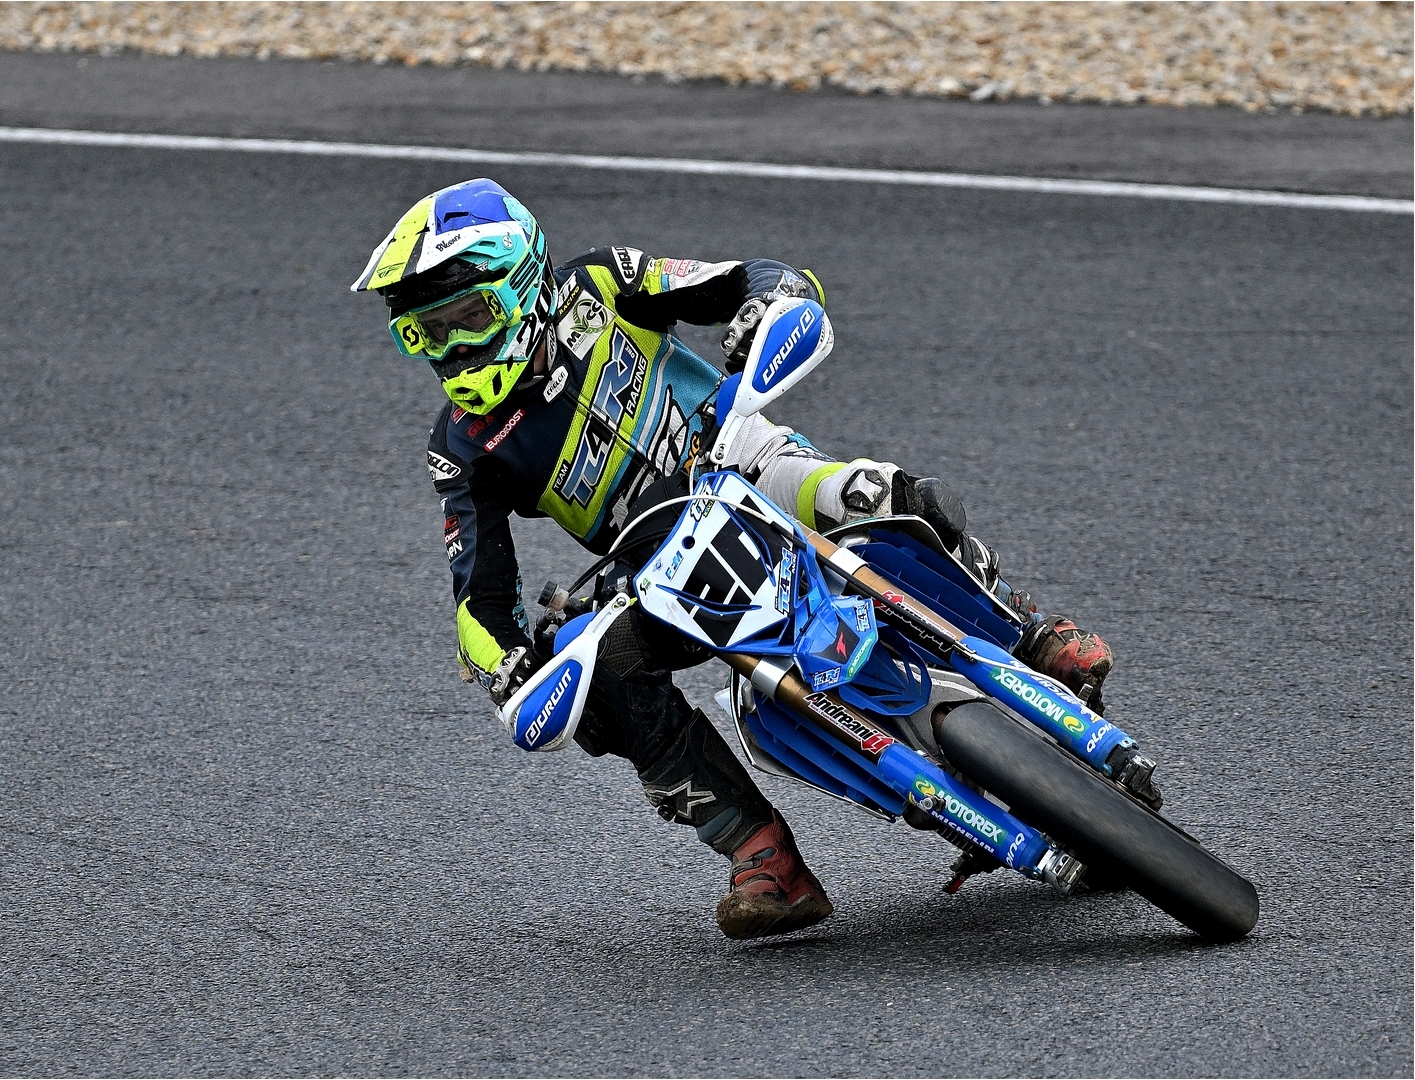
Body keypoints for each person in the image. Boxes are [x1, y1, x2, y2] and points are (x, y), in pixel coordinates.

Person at [352, 178, 1114, 940]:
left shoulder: (602, 283)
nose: (452, 349)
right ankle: (760, 853)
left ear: (524, 285)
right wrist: (508, 668)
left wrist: (769, 301)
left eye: (468, 319)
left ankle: (1027, 634)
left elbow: (741, 277)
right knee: (598, 677)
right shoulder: (460, 448)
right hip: (655, 567)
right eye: (426, 334)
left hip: (745, 464)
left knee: (879, 493)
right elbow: (479, 601)